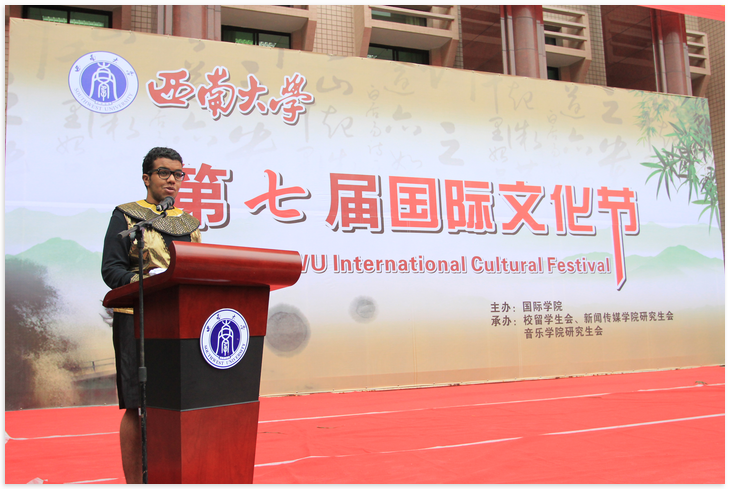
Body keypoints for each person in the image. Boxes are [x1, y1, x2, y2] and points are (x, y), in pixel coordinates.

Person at [101, 147, 201, 484]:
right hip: (136, 318)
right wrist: (147, 281)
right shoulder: (127, 216)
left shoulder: (189, 222)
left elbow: (197, 268)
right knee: (136, 404)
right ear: (146, 178)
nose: (172, 180)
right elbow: (111, 270)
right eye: (164, 172)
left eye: (178, 174)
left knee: (176, 402)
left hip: (179, 321)